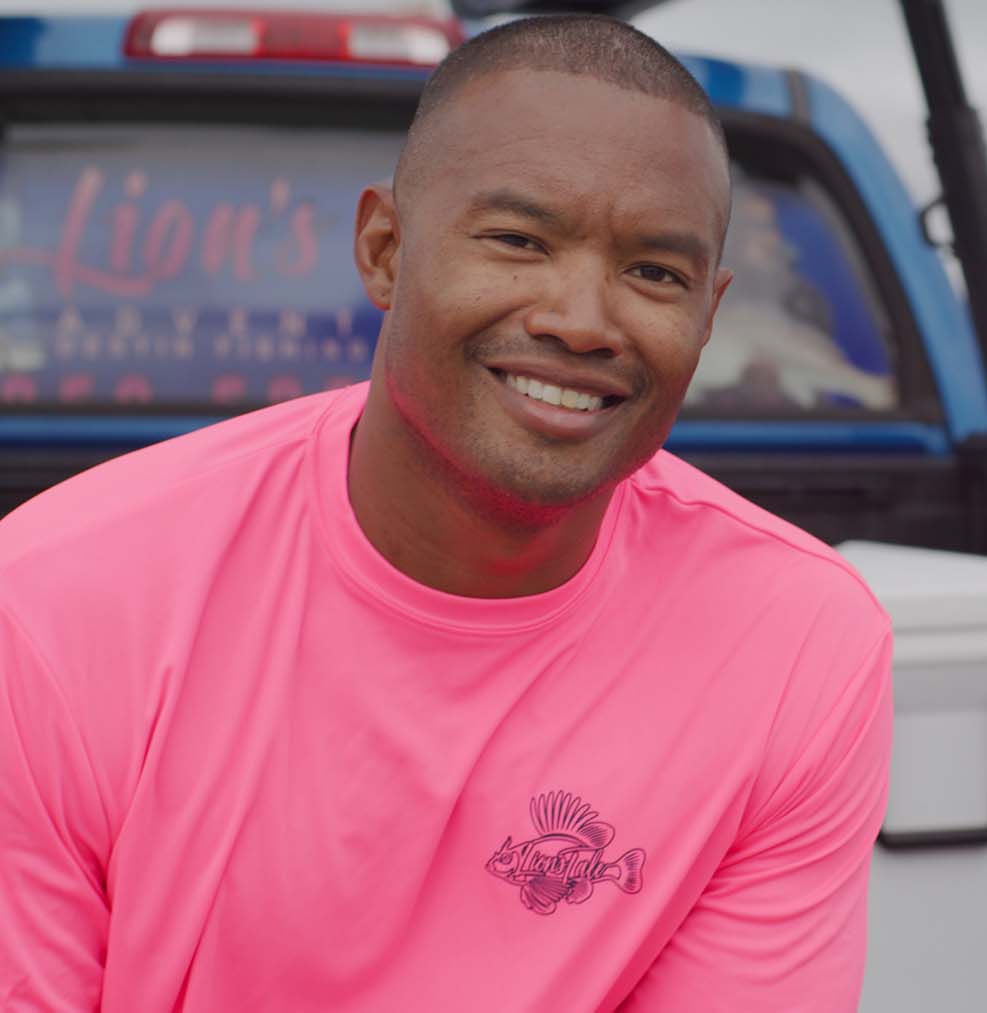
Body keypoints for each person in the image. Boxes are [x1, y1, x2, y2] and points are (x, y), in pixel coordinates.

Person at [0, 14, 892, 1011]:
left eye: (654, 272)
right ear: (384, 250)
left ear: (710, 315)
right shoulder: (54, 604)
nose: (581, 319)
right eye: (518, 240)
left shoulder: (794, 644)